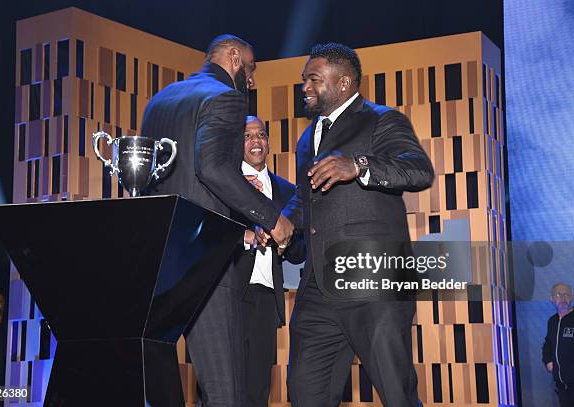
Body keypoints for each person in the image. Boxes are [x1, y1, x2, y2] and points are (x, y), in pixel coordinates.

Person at [140, 35, 294, 407]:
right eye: (252, 68)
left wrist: (240, 232)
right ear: (235, 58)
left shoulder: (159, 101)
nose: (252, 80)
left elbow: (165, 180)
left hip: (158, 257)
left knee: (156, 385)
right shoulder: (226, 97)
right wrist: (273, 218)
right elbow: (212, 169)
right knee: (227, 390)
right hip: (203, 259)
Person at [279, 43, 434, 407]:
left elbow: (418, 169)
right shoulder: (307, 138)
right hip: (318, 286)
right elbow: (306, 198)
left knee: (396, 392)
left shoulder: (382, 119)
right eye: (304, 80)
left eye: (313, 79)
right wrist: (278, 222)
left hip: (373, 278)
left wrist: (360, 165)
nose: (305, 87)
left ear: (344, 82)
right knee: (305, 393)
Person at [234, 116, 306, 407]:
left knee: (257, 386)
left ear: (268, 142)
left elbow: (301, 250)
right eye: (247, 136)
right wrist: (246, 237)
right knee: (221, 384)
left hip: (266, 298)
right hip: (227, 294)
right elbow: (207, 231)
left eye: (261, 134)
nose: (255, 141)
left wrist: (286, 242)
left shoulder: (288, 191)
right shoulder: (223, 183)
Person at [543, 282, 574, 407]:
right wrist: (548, 361)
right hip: (561, 385)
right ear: (552, 299)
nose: (562, 298)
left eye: (566, 295)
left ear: (572, 298)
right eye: (558, 295)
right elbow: (548, 344)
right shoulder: (552, 321)